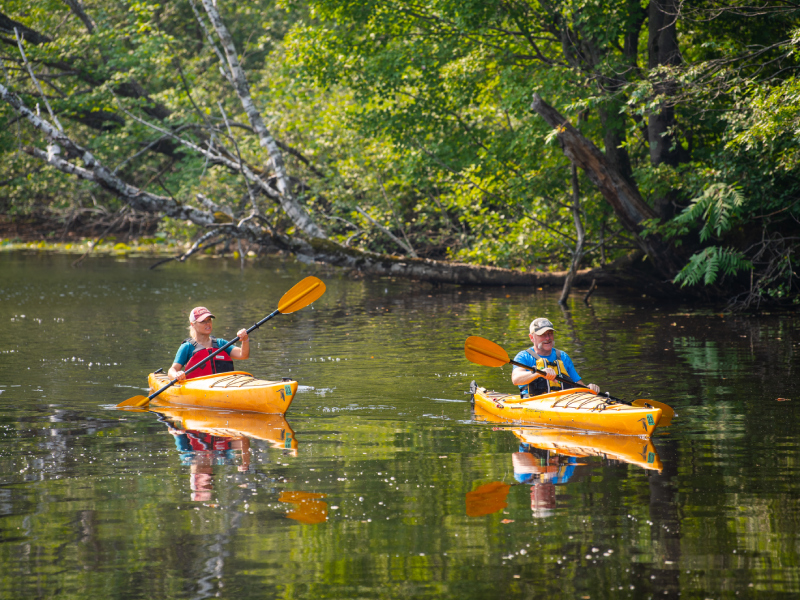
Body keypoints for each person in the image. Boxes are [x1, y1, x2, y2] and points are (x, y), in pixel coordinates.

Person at [511, 317, 600, 398]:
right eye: (542, 334)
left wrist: (589, 389)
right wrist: (539, 373)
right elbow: (516, 379)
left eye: (550, 333)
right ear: (531, 337)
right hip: (532, 402)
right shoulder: (524, 357)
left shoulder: (563, 356)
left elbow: (578, 384)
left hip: (562, 402)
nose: (548, 338)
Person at [168, 306, 249, 382]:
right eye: (203, 321)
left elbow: (243, 355)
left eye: (209, 320)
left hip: (224, 385)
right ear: (193, 324)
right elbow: (172, 370)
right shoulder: (187, 347)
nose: (207, 323)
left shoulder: (220, 343)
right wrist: (176, 374)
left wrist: (245, 340)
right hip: (198, 388)